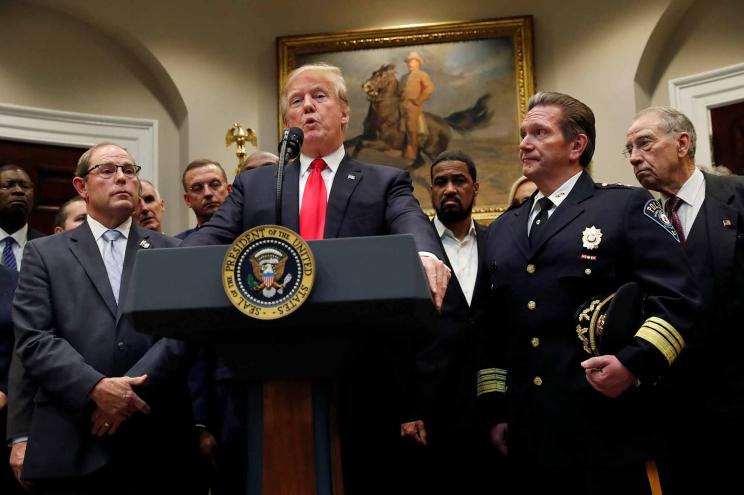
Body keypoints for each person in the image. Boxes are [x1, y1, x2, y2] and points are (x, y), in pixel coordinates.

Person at [181, 62, 449, 494]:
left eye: (320, 96)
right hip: (266, 369)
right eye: (296, 100)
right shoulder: (256, 187)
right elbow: (209, 238)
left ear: (344, 112)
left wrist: (423, 253)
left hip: (360, 375)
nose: (308, 106)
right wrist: (175, 269)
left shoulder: (383, 182)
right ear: (287, 119)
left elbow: (411, 222)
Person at [484, 92, 700, 494]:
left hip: (609, 429)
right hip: (530, 437)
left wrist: (633, 364)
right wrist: (496, 410)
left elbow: (679, 301)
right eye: (522, 133)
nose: (524, 143)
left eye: (539, 132)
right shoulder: (503, 229)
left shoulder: (624, 207)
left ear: (576, 145)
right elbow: (491, 331)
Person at [10, 143, 198, 494]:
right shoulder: (44, 254)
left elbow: (182, 333)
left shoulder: (170, 250)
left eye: (129, 170)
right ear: (82, 187)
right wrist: (95, 388)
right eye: (108, 170)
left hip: (156, 439)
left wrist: (124, 394)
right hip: (73, 437)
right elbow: (35, 339)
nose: (122, 178)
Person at [625, 106, 744, 494]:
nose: (634, 157)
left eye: (644, 143)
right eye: (628, 150)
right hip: (674, 410)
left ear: (682, 143)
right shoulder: (638, 217)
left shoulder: (738, 196)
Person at [401, 150, 501, 494]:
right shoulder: (414, 250)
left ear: (475, 188)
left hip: (491, 401)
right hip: (432, 407)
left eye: (458, 181)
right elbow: (402, 337)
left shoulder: (498, 242)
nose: (449, 189)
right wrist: (410, 408)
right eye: (441, 182)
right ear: (430, 190)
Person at [0, 164, 42, 494]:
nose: (18, 191)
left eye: (25, 186)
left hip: (32, 402)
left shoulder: (49, 251)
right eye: (9, 185)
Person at [177, 159, 232, 239]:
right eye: (197, 188)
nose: (207, 193)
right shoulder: (178, 245)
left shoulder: (250, 237)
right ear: (187, 200)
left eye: (215, 184)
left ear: (229, 191)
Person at [399, 51, 435, 161]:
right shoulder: (404, 77)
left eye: (413, 62)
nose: (410, 64)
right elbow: (400, 91)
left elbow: (430, 88)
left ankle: (412, 152)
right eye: (409, 62)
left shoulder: (422, 75)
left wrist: (418, 100)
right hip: (402, 104)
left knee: (411, 126)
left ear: (418, 63)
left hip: (413, 105)